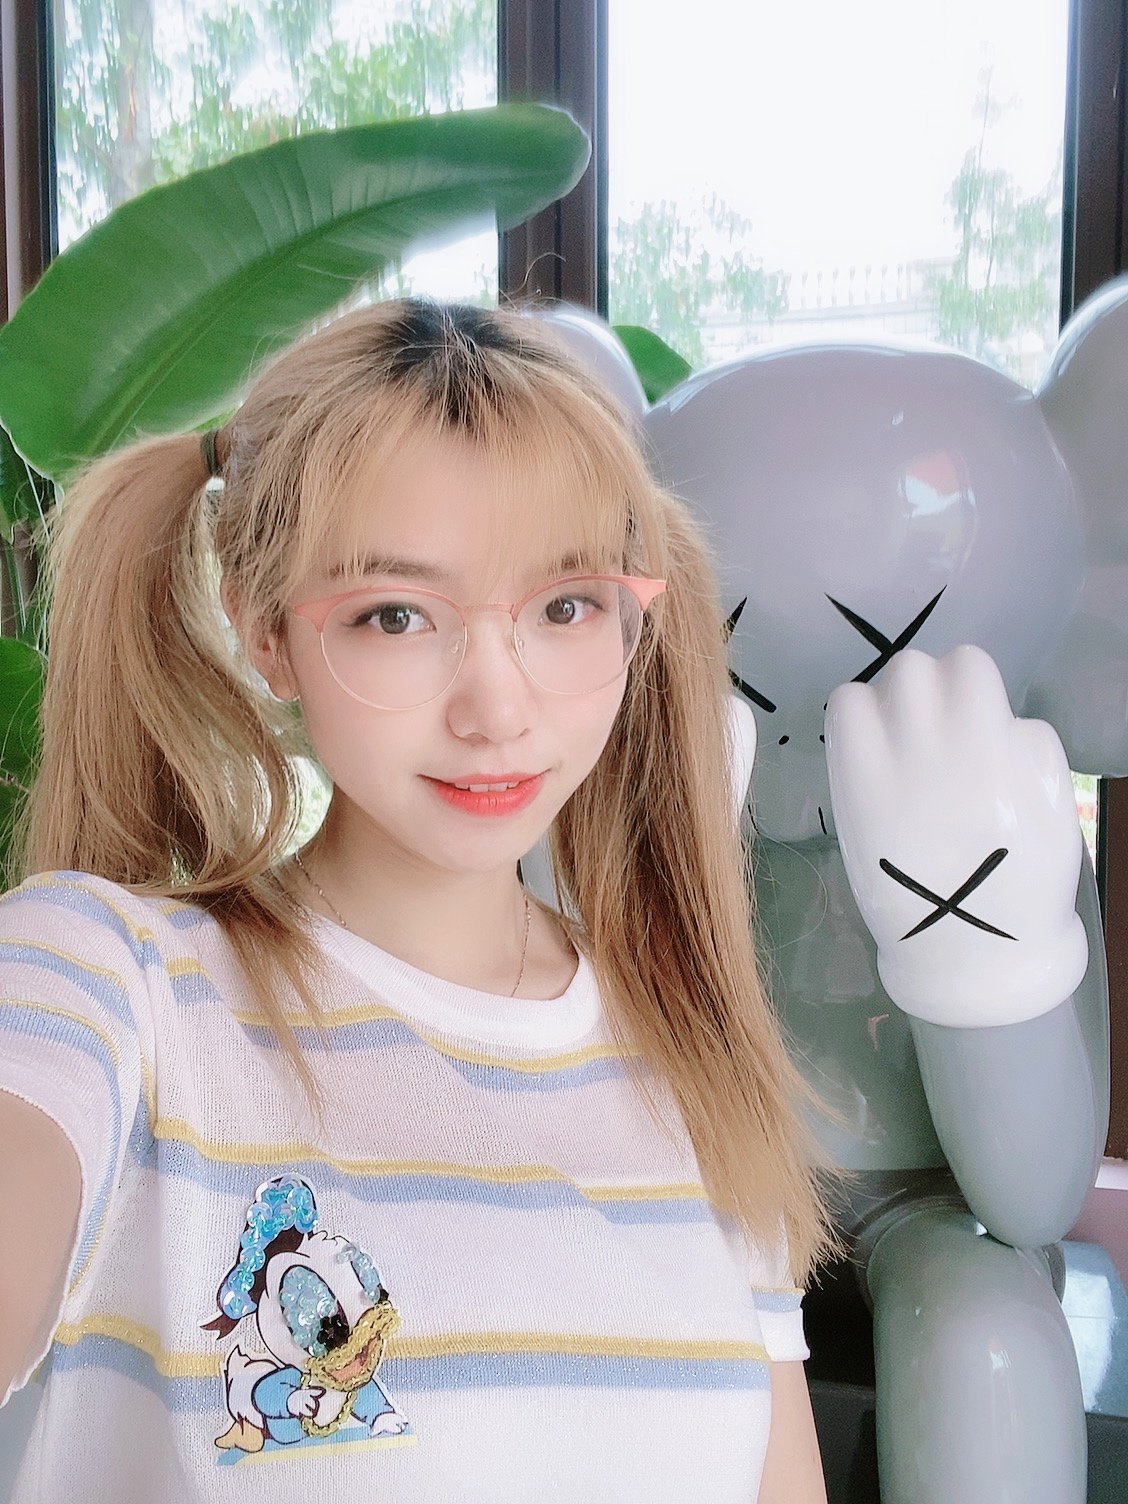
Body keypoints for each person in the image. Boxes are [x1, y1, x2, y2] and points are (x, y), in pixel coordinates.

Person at [0, 297, 841, 1501]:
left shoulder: (694, 1056)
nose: (497, 708)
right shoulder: (110, 983)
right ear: (267, 634)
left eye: (565, 606)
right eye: (395, 615)